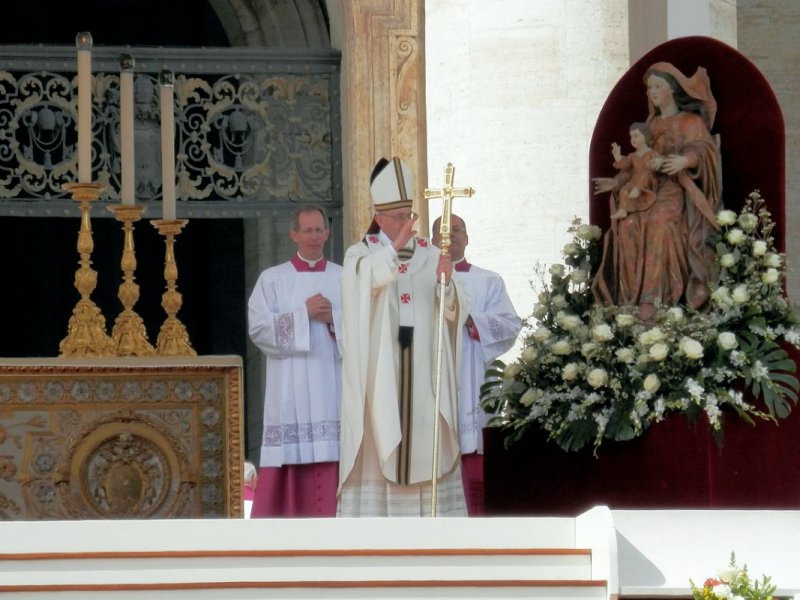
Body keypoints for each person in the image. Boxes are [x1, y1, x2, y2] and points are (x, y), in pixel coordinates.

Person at [337, 157, 468, 517]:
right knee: (381, 431)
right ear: (380, 219)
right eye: (398, 217)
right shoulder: (361, 255)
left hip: (423, 369)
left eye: (409, 214)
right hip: (382, 375)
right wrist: (391, 250)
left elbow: (452, 311)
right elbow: (361, 286)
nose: (407, 223)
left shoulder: (429, 253)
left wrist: (446, 284)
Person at [592, 62, 722, 321]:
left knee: (659, 222)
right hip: (647, 187)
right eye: (649, 87)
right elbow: (637, 161)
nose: (652, 91)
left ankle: (659, 302)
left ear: (672, 90)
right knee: (627, 226)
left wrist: (685, 160)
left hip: (677, 190)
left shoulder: (691, 121)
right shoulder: (650, 124)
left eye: (658, 86)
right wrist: (616, 183)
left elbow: (706, 149)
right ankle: (632, 303)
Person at [247, 204, 342, 517]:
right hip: (290, 385)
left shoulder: (344, 278)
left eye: (319, 230)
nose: (314, 237)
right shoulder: (272, 280)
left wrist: (334, 319)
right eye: (307, 231)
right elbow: (259, 329)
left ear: (328, 233)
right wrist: (304, 314)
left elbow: (366, 330)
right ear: (293, 234)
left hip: (332, 382)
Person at [431, 214, 521, 516]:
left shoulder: (488, 281)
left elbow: (509, 325)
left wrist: (473, 321)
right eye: (442, 232)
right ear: (432, 241)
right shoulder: (419, 281)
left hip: (473, 377)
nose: (450, 236)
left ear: (467, 238)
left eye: (456, 231)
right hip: (433, 377)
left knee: (475, 458)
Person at [606, 122, 662, 220]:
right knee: (624, 190)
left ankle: (639, 191)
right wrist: (618, 157)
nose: (633, 139)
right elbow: (626, 165)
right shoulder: (632, 156)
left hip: (648, 179)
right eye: (631, 137)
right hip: (634, 181)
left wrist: (659, 162)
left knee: (644, 176)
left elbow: (659, 162)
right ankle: (623, 210)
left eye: (636, 136)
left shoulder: (652, 153)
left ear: (645, 136)